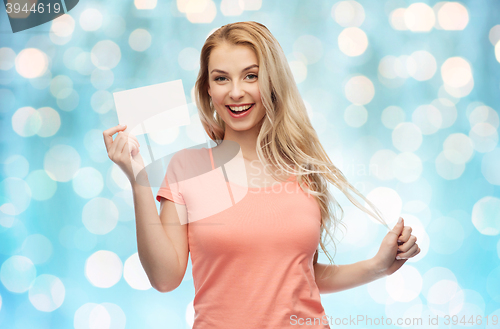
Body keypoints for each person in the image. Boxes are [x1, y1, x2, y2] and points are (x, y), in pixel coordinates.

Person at [103, 21, 420, 329]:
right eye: (222, 79)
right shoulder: (188, 169)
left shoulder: (303, 171)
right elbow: (164, 278)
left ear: (272, 81)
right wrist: (137, 179)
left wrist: (378, 267)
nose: (236, 92)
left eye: (250, 76)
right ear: (208, 89)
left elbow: (298, 275)